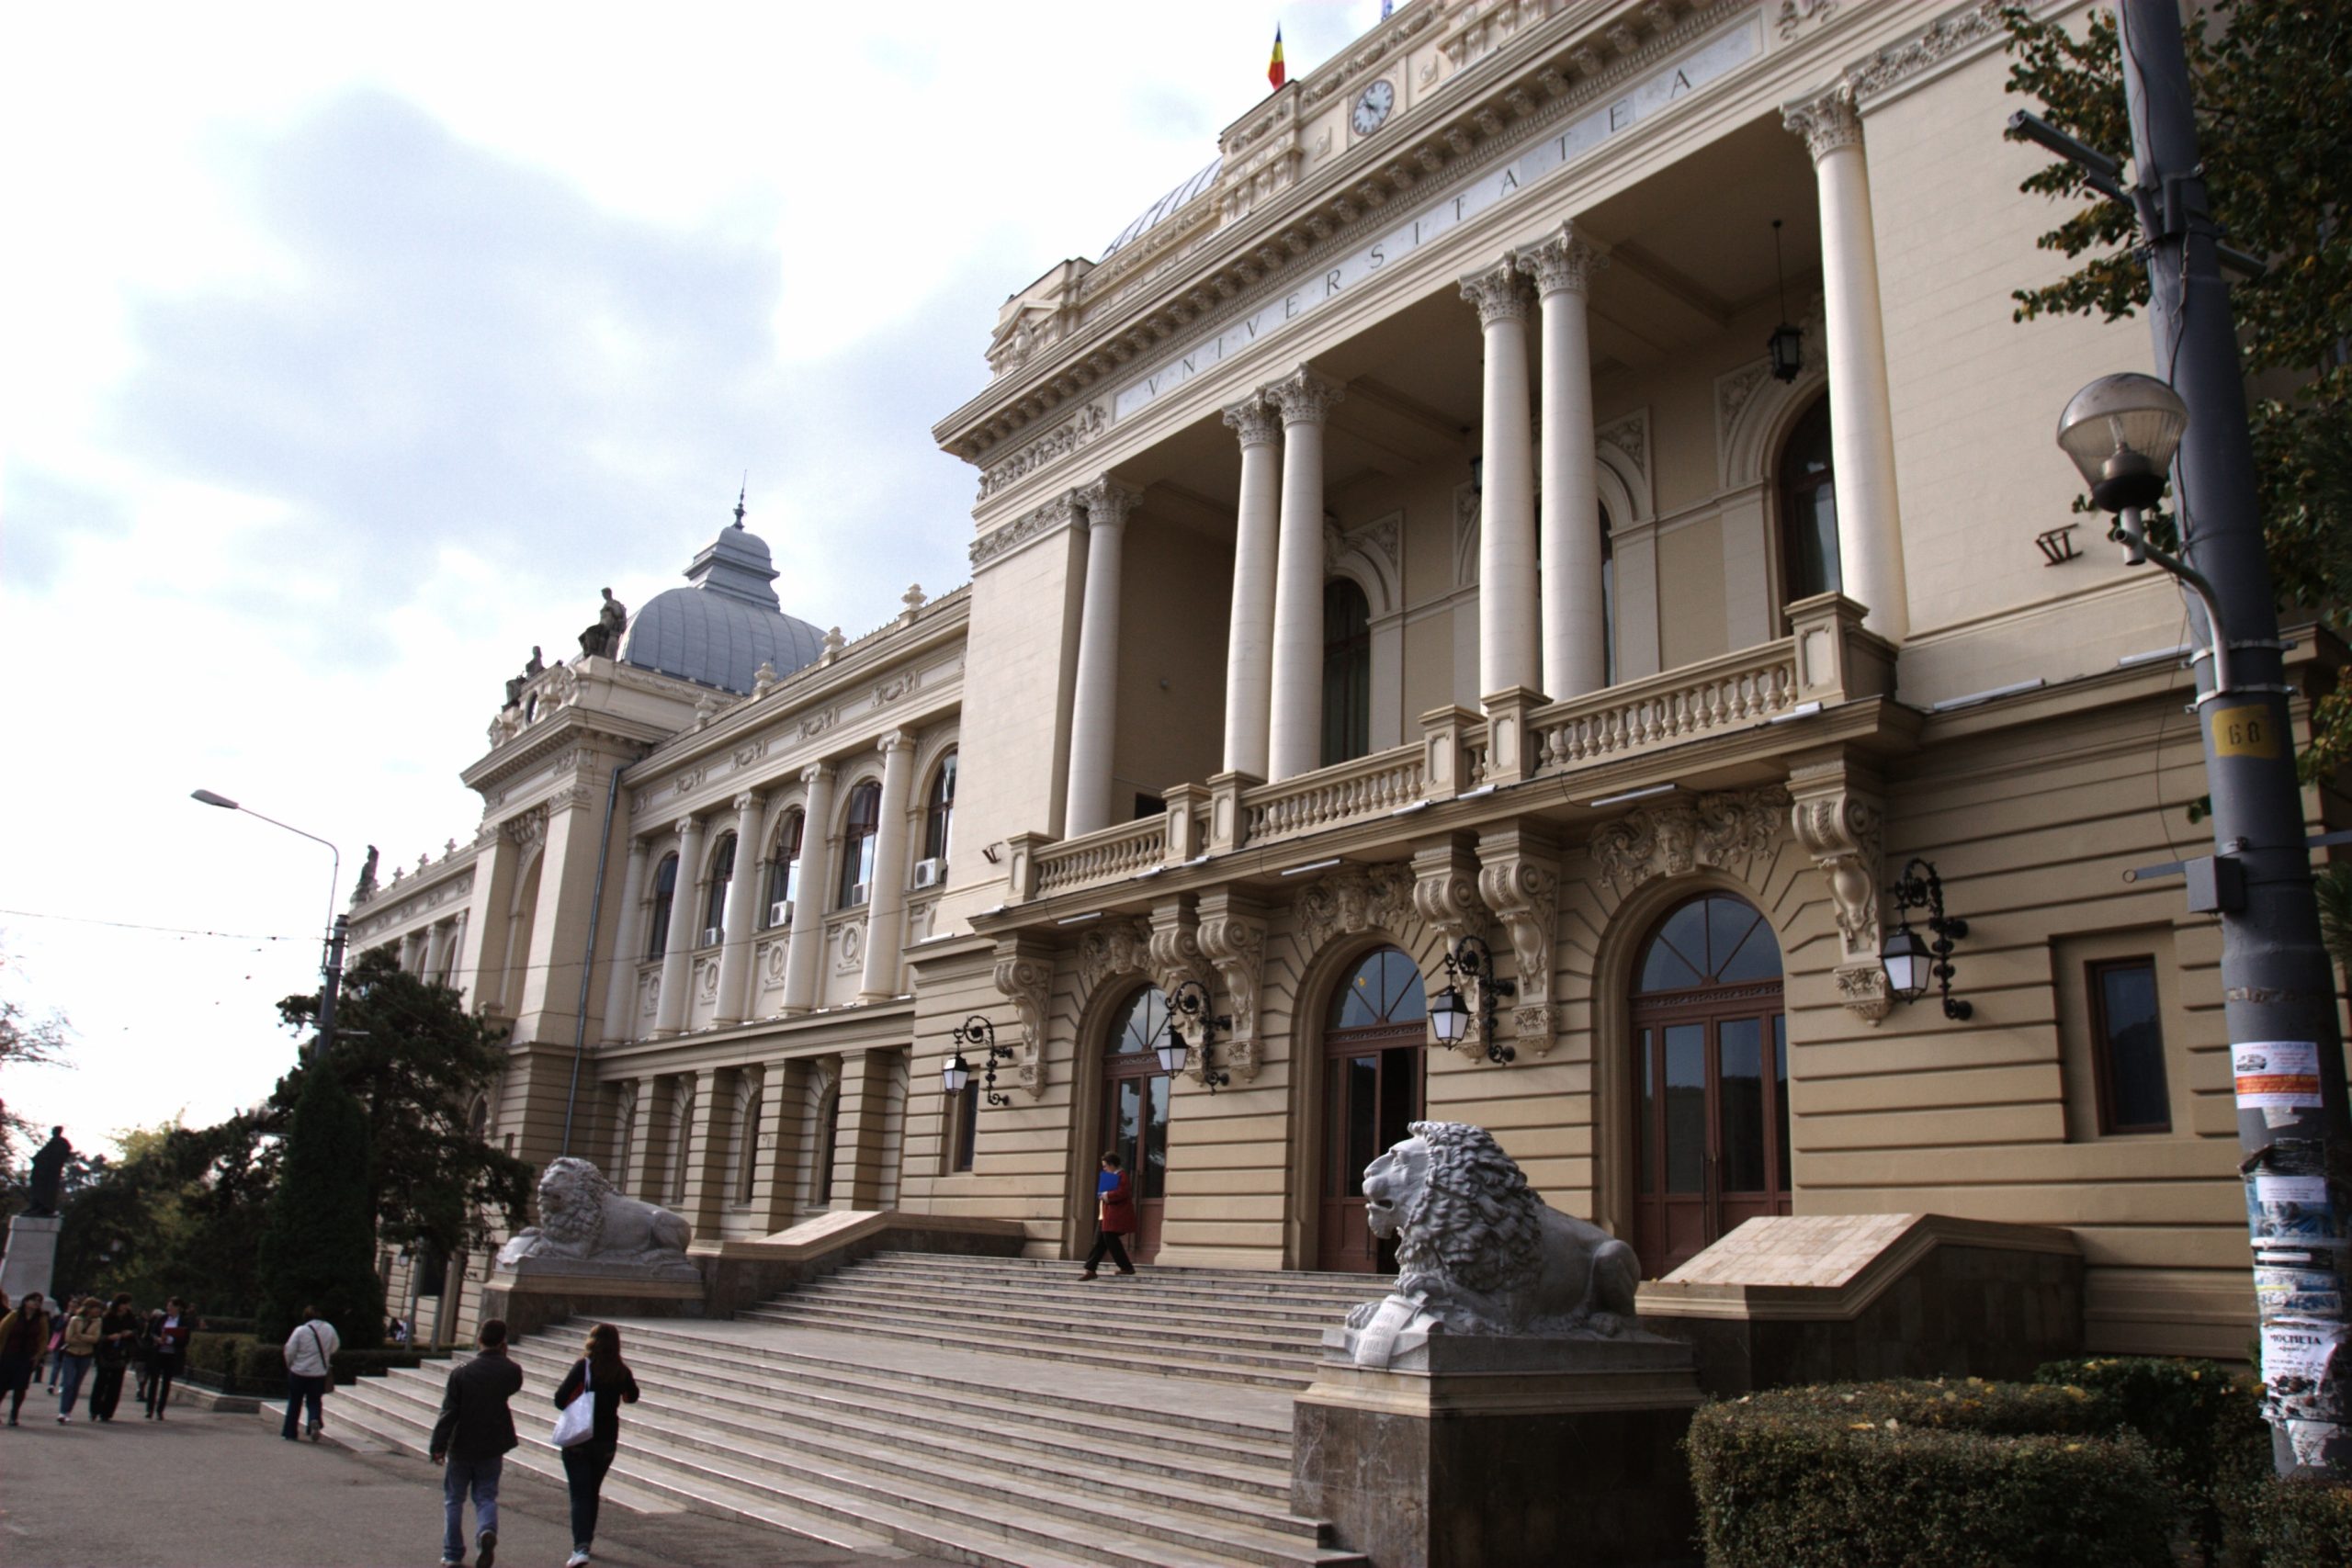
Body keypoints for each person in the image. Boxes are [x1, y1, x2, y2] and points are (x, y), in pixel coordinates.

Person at [429, 1318, 524, 1568]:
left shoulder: (461, 1373)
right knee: (486, 1495)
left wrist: (438, 1445)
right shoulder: (512, 1371)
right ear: (503, 1343)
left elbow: (449, 1412)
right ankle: (486, 1531)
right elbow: (511, 1386)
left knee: (454, 1499)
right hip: (492, 1443)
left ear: (479, 1339)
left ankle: (452, 1554)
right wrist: (503, 1357)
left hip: (461, 1443)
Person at [552, 1323, 642, 1568]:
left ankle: (581, 1547)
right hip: (606, 1440)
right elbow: (632, 1396)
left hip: (579, 1439)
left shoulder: (584, 1367)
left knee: (580, 1494)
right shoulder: (620, 1370)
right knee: (592, 1491)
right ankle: (586, 1542)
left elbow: (560, 1399)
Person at [282, 1303, 341, 1441]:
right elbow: (335, 1346)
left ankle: (290, 1433)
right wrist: (325, 1355)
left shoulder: (300, 1330)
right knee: (314, 1400)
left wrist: (290, 1365)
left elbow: (290, 1350)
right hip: (318, 1373)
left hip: (298, 1372)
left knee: (294, 1402)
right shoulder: (329, 1328)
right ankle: (314, 1420)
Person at [1079, 1151, 1138, 1280]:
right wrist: (1103, 1194)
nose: (1104, 1169)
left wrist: (1106, 1195)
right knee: (1100, 1242)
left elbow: (1122, 1192)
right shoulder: (1113, 1176)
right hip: (1106, 1215)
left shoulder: (1122, 1176)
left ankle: (1126, 1267)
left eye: (1105, 1166)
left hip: (1115, 1216)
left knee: (1109, 1240)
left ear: (1112, 1165)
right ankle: (1091, 1269)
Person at [0, 1291, 53, 1427]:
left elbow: (43, 1338)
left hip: (27, 1357)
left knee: (20, 1387)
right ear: (25, 1301)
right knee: (2, 1386)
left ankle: (14, 1415)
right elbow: (2, 1331)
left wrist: (39, 1355)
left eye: (39, 1301)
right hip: (9, 1354)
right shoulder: (14, 1315)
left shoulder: (41, 1318)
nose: (36, 1303)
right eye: (33, 1300)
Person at [89, 1294, 139, 1422]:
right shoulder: (107, 1317)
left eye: (128, 1304)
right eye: (124, 1304)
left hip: (121, 1353)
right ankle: (94, 1409)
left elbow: (137, 1331)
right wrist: (109, 1337)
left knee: (115, 1385)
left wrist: (130, 1333)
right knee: (101, 1383)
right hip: (106, 1352)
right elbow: (99, 1335)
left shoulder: (130, 1318)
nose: (126, 1307)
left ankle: (107, 1412)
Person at [144, 1297, 195, 1419]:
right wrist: (157, 1339)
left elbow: (185, 1339)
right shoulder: (162, 1319)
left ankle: (160, 1410)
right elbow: (152, 1332)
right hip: (159, 1352)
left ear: (178, 1308)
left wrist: (171, 1340)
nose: (169, 1308)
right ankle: (149, 1409)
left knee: (166, 1383)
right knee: (154, 1381)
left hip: (172, 1355)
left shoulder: (183, 1322)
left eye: (171, 1306)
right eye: (168, 1306)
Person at [55, 1297, 100, 1423]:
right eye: (96, 1308)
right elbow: (69, 1338)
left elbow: (95, 1339)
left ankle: (68, 1411)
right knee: (68, 1383)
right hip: (71, 1354)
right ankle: (62, 1411)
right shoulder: (75, 1319)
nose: (98, 1311)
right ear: (89, 1308)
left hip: (86, 1355)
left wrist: (80, 1336)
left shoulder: (98, 1322)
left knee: (76, 1385)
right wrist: (86, 1338)